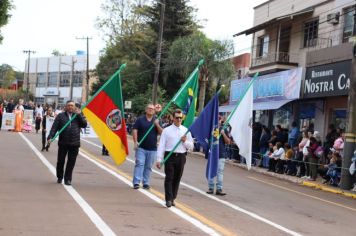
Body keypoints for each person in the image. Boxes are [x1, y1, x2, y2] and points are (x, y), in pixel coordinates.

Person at [156, 109, 194, 207]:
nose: (179, 119)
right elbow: (161, 145)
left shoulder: (186, 131)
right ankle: (168, 199)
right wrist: (159, 159)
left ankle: (173, 198)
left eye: (180, 117)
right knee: (169, 177)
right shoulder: (166, 130)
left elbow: (191, 147)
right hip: (170, 155)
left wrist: (185, 141)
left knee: (177, 178)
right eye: (177, 117)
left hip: (181, 156)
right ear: (173, 118)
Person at [47, 100, 87, 185]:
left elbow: (84, 125)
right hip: (63, 143)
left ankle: (68, 179)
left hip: (74, 143)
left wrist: (79, 115)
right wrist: (50, 137)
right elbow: (54, 128)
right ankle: (60, 176)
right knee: (60, 161)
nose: (70, 107)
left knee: (71, 162)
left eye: (72, 105)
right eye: (68, 105)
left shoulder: (78, 115)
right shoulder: (60, 116)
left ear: (75, 107)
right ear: (66, 107)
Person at [132, 104, 163, 189]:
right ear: (146, 110)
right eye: (149, 108)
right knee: (140, 164)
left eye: (152, 109)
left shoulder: (157, 120)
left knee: (148, 166)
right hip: (141, 147)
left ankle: (146, 182)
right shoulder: (140, 119)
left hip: (152, 148)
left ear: (154, 111)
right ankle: (136, 182)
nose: (150, 110)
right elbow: (135, 130)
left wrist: (157, 124)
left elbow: (162, 133)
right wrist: (135, 141)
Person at [206, 117, 231, 195]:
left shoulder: (224, 129)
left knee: (220, 172)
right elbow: (206, 140)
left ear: (221, 121)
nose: (218, 121)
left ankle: (219, 189)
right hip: (212, 153)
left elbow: (228, 142)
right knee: (211, 170)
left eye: (219, 119)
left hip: (221, 153)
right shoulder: (210, 129)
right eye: (216, 119)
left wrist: (223, 134)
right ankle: (211, 187)